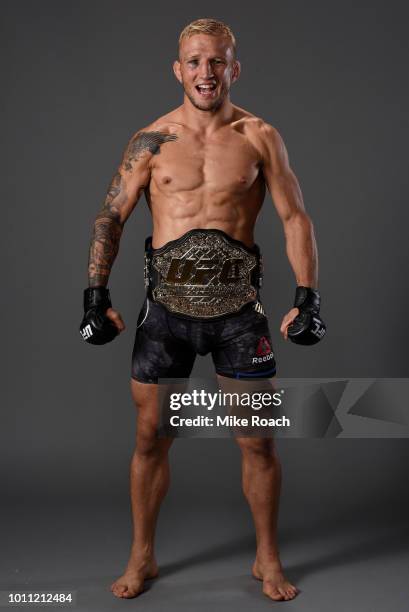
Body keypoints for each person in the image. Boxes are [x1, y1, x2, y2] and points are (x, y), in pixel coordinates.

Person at [80, 18, 325, 602]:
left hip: (240, 312)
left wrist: (308, 297)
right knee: (151, 438)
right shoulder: (151, 140)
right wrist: (95, 294)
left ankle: (267, 557)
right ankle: (143, 556)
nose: (205, 72)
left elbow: (295, 217)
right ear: (178, 69)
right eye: (194, 61)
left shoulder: (260, 136)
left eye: (216, 61)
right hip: (165, 315)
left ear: (234, 68)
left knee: (258, 440)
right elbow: (111, 216)